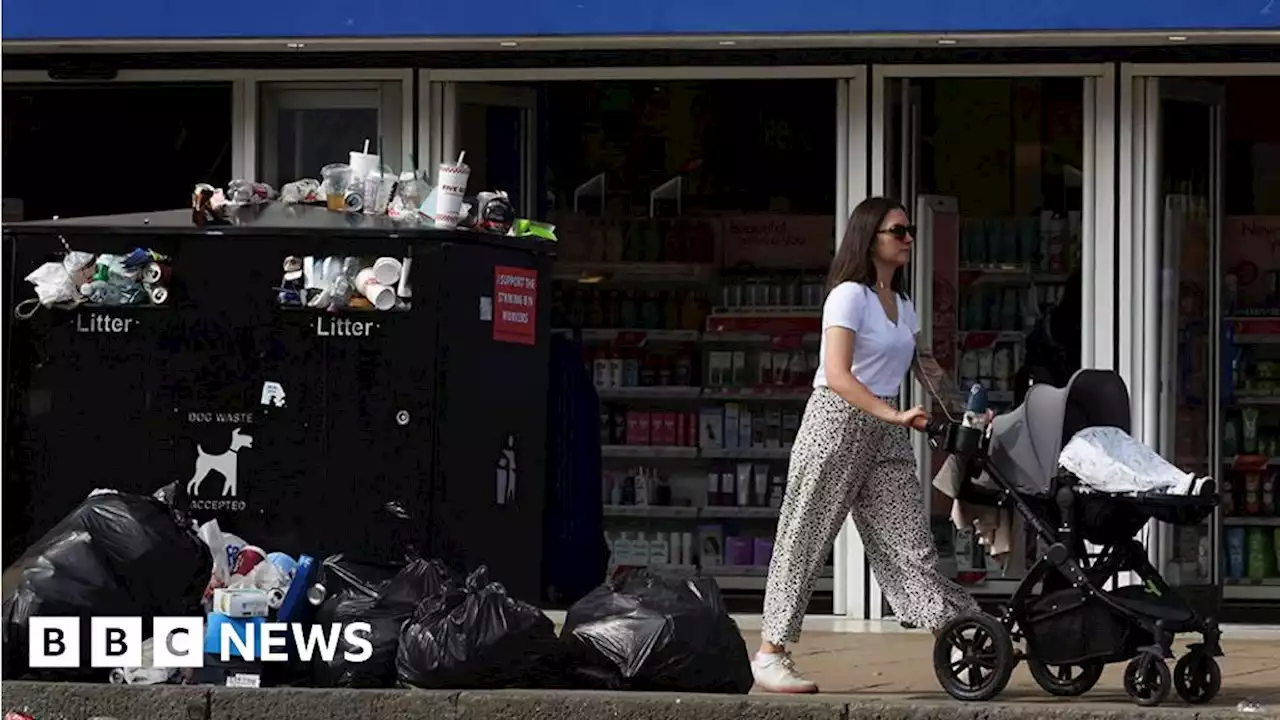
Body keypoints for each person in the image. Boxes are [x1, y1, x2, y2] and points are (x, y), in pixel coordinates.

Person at [751, 196, 984, 694]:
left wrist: (964, 409)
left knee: (911, 544)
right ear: (870, 238)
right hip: (837, 421)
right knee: (806, 534)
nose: (908, 239)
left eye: (909, 230)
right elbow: (837, 374)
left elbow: (926, 367)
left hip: (885, 428)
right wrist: (894, 413)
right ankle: (771, 653)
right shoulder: (847, 296)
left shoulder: (903, 304)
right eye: (898, 231)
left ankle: (963, 630)